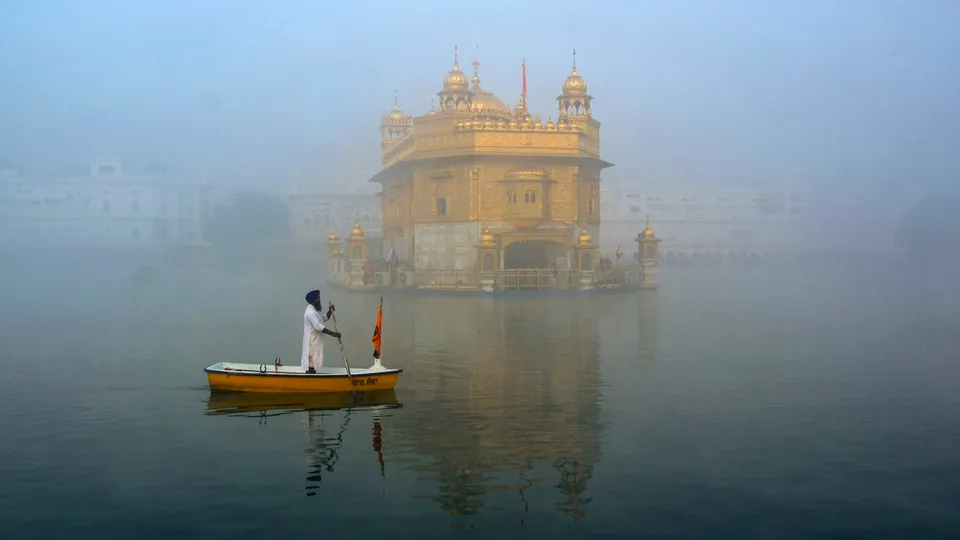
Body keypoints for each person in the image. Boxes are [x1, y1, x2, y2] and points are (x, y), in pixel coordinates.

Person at [302, 290, 341, 374]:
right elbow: (318, 326)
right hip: (311, 340)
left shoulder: (315, 309)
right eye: (318, 299)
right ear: (313, 301)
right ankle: (309, 379)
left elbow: (323, 318)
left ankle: (312, 376)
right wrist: (333, 334)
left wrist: (330, 312)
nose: (320, 300)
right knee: (311, 360)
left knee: (314, 359)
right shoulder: (310, 312)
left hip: (316, 340)